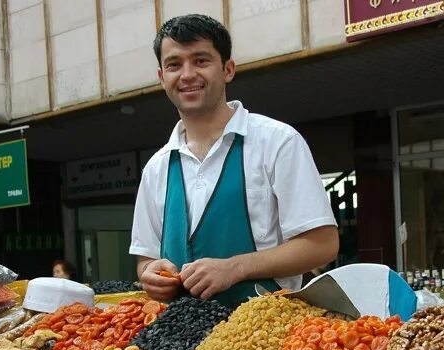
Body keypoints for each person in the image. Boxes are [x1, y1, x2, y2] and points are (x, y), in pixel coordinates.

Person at [130, 14, 338, 307]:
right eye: (174, 64)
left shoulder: (277, 142)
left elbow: (323, 244)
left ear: (228, 69)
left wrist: (235, 267)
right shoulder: (156, 168)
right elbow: (145, 258)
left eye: (201, 60)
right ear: (162, 78)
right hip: (177, 347)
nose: (187, 74)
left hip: (264, 338)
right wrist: (149, 273)